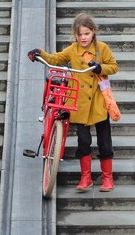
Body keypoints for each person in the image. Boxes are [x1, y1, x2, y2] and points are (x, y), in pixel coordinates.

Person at [27, 13, 119, 192]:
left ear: (93, 32)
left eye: (86, 33)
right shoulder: (72, 50)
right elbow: (55, 59)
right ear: (75, 35)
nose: (83, 37)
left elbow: (114, 66)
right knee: (83, 141)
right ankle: (86, 177)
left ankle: (108, 178)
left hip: (99, 103)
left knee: (104, 142)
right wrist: (39, 53)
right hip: (80, 104)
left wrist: (101, 67)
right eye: (80, 34)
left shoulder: (102, 48)